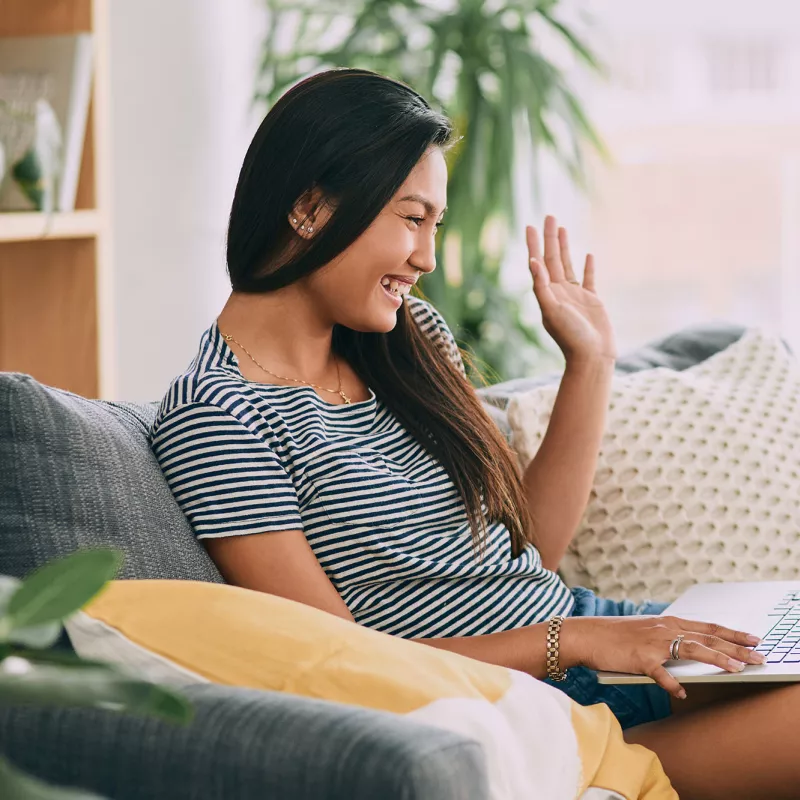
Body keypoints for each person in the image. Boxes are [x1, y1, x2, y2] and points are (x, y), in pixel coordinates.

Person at [149, 67, 800, 799]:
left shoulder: (407, 342)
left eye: (436, 225)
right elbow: (349, 667)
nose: (426, 258)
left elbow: (532, 553)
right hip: (534, 710)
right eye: (410, 218)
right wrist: (576, 644)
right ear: (309, 208)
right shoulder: (219, 416)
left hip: (606, 646)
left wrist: (591, 362)